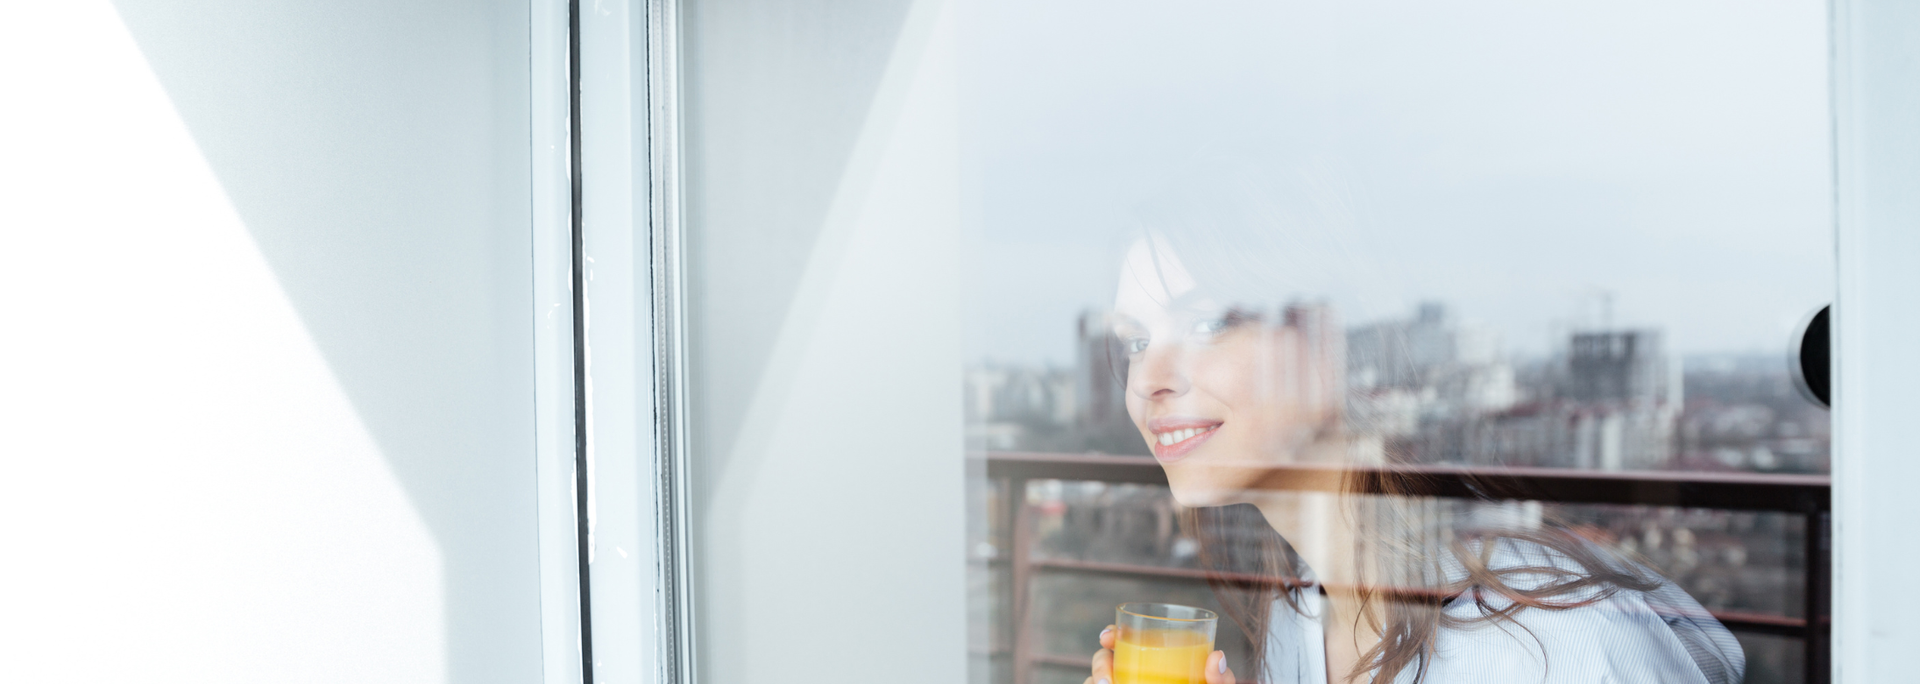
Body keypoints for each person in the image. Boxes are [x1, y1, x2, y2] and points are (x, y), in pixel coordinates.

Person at [1082, 232, 1743, 684]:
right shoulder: (1298, 619)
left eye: (1204, 325)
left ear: (1325, 341)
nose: (1147, 380)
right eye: (1136, 340)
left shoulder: (1550, 643)